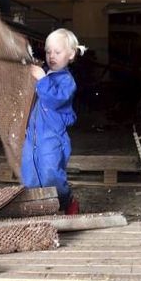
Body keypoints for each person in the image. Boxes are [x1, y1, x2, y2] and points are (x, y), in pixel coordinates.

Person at [21, 28, 86, 215]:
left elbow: (55, 99)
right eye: (49, 51)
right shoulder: (45, 75)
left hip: (52, 138)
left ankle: (67, 200)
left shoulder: (67, 81)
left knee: (51, 173)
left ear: (71, 54)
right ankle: (40, 209)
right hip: (32, 137)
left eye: (57, 52)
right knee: (29, 174)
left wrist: (41, 79)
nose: (52, 56)